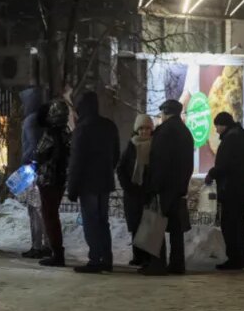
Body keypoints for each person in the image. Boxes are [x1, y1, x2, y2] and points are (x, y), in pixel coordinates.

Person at [67, 92, 120, 274]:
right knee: (102, 221)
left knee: (90, 221)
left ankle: (95, 259)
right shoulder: (109, 126)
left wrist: (72, 188)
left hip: (87, 183)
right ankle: (106, 258)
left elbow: (76, 161)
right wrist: (107, 170)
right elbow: (116, 154)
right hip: (104, 181)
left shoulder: (82, 129)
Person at [140, 100, 194, 276]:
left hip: (163, 187)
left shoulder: (163, 132)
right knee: (176, 228)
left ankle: (157, 264)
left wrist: (154, 186)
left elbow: (159, 162)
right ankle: (177, 263)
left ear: (164, 112)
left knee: (156, 225)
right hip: (179, 187)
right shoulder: (186, 132)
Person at [205, 112, 244, 271]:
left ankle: (234, 259)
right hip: (243, 189)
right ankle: (243, 257)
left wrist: (212, 173)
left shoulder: (231, 139)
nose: (216, 130)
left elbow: (226, 165)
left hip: (231, 189)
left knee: (230, 225)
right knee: (240, 224)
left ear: (223, 125)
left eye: (217, 126)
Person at [35, 100, 72, 267]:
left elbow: (39, 154)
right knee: (52, 215)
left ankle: (57, 253)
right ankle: (57, 252)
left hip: (49, 179)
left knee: (50, 216)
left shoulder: (50, 134)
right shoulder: (66, 133)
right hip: (60, 179)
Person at [117, 114, 154, 267]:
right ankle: (137, 256)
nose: (144, 131)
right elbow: (121, 168)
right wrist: (128, 186)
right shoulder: (131, 146)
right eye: (141, 128)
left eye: (147, 128)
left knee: (147, 225)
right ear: (136, 130)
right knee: (135, 225)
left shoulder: (155, 146)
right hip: (133, 193)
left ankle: (147, 258)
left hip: (148, 192)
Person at [19, 87, 50, 259]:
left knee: (34, 209)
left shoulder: (30, 120)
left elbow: (32, 145)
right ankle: (47, 244)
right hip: (44, 169)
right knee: (43, 209)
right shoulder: (46, 119)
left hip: (32, 168)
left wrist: (25, 162)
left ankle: (37, 246)